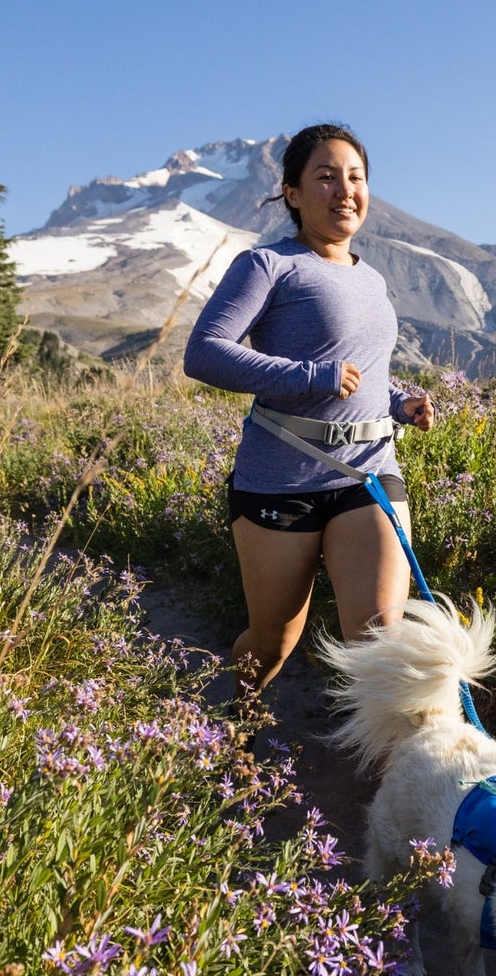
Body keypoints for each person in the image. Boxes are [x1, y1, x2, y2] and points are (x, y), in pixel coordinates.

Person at [182, 123, 435, 685]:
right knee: (273, 641)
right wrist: (307, 376)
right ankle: (228, 732)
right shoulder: (267, 266)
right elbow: (203, 353)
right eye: (325, 177)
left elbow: (362, 370)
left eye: (356, 177)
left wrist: (399, 404)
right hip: (280, 480)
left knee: (380, 642)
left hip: (368, 472)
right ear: (292, 193)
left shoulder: (371, 278)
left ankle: (387, 770)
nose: (344, 189)